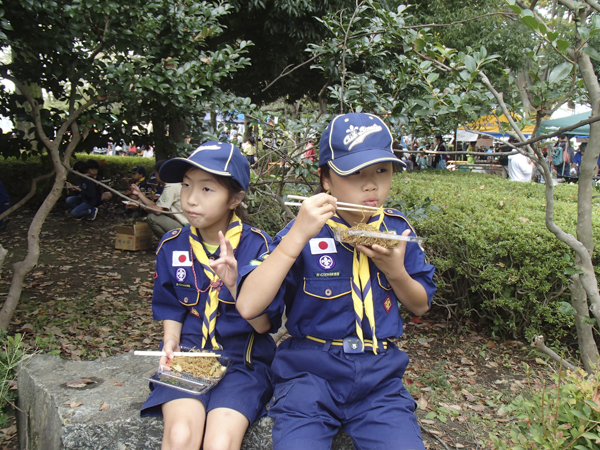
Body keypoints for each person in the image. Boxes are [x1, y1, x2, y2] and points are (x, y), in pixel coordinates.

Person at [236, 112, 436, 450]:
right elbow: (249, 305)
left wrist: (395, 271)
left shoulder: (398, 232)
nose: (371, 184)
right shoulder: (303, 232)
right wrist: (296, 236)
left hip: (379, 380)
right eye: (355, 173)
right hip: (309, 377)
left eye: (382, 171)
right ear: (326, 180)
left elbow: (420, 304)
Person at [140, 141, 282, 450]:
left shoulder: (259, 247)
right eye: (187, 185)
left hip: (243, 364)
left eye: (207, 190)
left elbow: (264, 326)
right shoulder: (171, 244)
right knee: (180, 436)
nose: (190, 198)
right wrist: (170, 342)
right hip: (189, 359)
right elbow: (170, 304)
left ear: (235, 199)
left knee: (220, 442)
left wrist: (235, 286)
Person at [130, 160, 189, 238]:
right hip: (185, 225)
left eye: (156, 173)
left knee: (152, 217)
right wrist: (139, 194)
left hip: (185, 226)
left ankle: (169, 243)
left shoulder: (171, 186)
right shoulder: (173, 184)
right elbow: (155, 205)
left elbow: (158, 211)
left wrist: (140, 205)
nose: (155, 175)